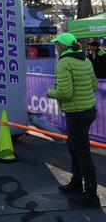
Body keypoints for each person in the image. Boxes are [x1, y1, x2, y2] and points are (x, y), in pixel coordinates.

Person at [47, 33, 99, 208]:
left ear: (62, 47)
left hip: (76, 113)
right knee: (75, 147)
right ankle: (76, 184)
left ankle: (91, 196)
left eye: (56, 45)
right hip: (89, 110)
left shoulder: (64, 63)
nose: (55, 47)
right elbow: (94, 86)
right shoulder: (85, 60)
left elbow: (65, 93)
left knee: (82, 152)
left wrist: (50, 93)